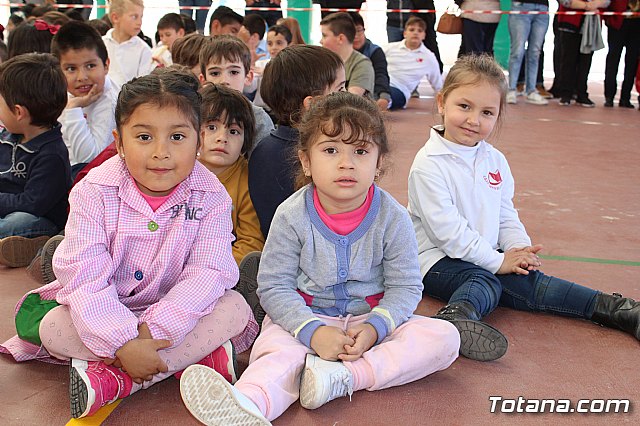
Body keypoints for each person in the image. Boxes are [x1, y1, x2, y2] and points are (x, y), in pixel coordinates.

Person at [179, 91, 460, 425]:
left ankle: (344, 378)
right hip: (305, 318)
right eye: (330, 150)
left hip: (368, 323)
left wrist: (374, 328)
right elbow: (274, 288)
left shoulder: (393, 217)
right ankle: (249, 403)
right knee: (276, 354)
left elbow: (406, 287)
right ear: (306, 161)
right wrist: (312, 331)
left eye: (360, 151)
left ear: (379, 161)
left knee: (444, 338)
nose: (346, 163)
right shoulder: (291, 215)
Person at [0, 69, 259, 419]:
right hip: (107, 308)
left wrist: (153, 331)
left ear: (198, 142)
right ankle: (196, 358)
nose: (161, 153)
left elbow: (208, 272)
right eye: (144, 137)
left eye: (178, 136)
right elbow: (85, 277)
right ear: (119, 142)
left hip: (174, 312)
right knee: (52, 327)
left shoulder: (211, 195)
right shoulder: (94, 191)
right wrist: (122, 339)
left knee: (235, 308)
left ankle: (116, 380)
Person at [407, 53, 640, 363]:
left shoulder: (494, 160)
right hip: (435, 261)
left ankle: (620, 311)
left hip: (482, 255)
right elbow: (450, 235)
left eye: (487, 112)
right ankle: (454, 320)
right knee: (485, 279)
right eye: (464, 106)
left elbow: (505, 213)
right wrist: (498, 262)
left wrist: (518, 249)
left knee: (527, 281)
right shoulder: (428, 165)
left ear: (499, 115)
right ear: (441, 102)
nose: (474, 120)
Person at [248, 45, 346, 239]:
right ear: (314, 104)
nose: (348, 96)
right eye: (340, 89)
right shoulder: (317, 154)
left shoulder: (264, 149)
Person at [0, 53, 70, 267]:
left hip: (40, 220)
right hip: (5, 208)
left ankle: (39, 245)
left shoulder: (51, 154)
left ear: (19, 112)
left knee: (18, 221)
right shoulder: (7, 136)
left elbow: (32, 204)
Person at [198, 83, 264, 265]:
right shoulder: (180, 171)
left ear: (245, 143)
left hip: (223, 269)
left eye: (234, 131)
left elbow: (252, 242)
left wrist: (215, 270)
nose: (222, 137)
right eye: (212, 127)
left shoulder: (249, 181)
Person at [51, 21, 119, 178]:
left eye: (90, 66)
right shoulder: (62, 92)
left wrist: (73, 107)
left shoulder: (110, 100)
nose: (82, 77)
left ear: (106, 65)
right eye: (71, 69)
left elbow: (88, 161)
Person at [199, 35, 274, 147]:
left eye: (234, 72)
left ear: (248, 77)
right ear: (203, 80)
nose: (224, 81)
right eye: (215, 73)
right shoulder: (195, 114)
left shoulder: (259, 120)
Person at [555, 0, 609, 107]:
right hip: (570, 23)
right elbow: (565, 1)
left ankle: (582, 94)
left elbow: (607, 1)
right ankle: (566, 94)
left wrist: (595, 4)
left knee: (586, 61)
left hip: (591, 25)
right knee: (568, 60)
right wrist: (586, 6)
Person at [384, 16, 442, 110]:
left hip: (399, 92)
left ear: (424, 35)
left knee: (382, 97)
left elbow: (438, 85)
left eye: (419, 31)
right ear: (405, 33)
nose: (415, 33)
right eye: (411, 30)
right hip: (380, 84)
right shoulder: (389, 48)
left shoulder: (429, 57)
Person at [505, 0, 550, 106]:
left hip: (542, 8)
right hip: (521, 6)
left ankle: (531, 91)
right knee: (517, 51)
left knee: (535, 52)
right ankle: (511, 89)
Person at [102, 0, 154, 87]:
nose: (139, 22)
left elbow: (142, 85)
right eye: (134, 17)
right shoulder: (101, 44)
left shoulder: (144, 50)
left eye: (141, 17)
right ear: (115, 18)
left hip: (129, 98)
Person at [320, 12, 374, 97]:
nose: (321, 41)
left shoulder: (362, 64)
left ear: (340, 38)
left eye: (324, 36)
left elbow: (350, 100)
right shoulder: (324, 62)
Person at [386, 0, 442, 72]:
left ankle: (436, 70)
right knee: (395, 53)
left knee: (419, 50)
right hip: (393, 22)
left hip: (414, 19)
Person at [603, 0, 640, 108]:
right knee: (613, 60)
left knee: (632, 61)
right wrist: (608, 18)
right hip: (617, 21)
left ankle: (625, 98)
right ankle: (609, 96)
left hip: (637, 23)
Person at [351, 12, 392, 111]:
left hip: (374, 90)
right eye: (351, 32)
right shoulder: (338, 52)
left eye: (359, 30)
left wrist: (384, 97)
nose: (356, 36)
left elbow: (381, 75)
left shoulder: (375, 51)